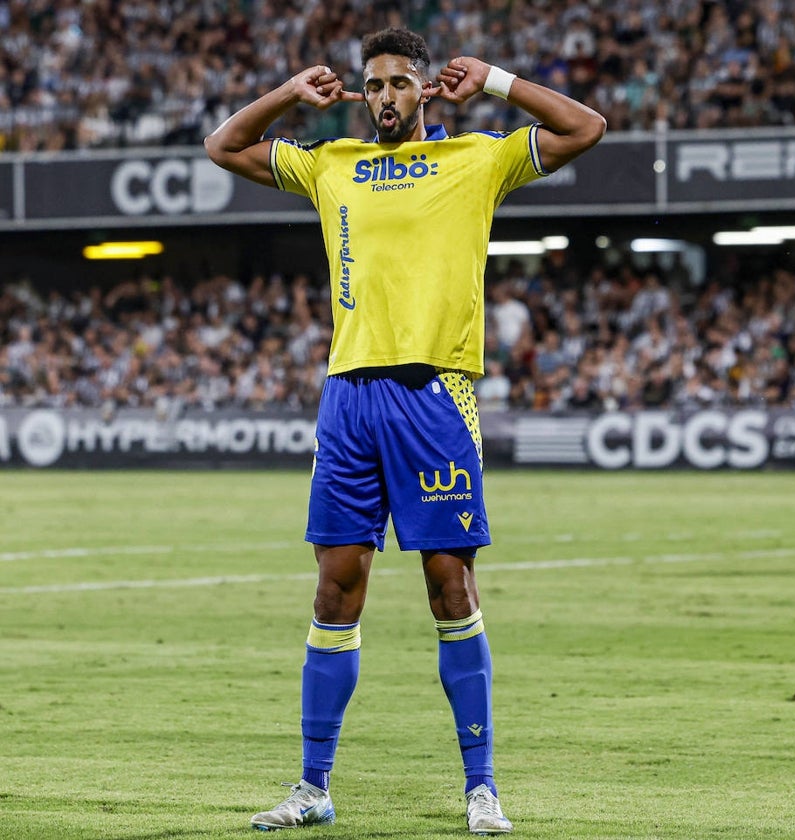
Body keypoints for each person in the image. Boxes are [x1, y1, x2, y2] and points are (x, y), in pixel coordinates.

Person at [204, 27, 605, 834]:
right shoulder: (330, 165)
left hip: (435, 396)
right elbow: (224, 146)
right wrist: (290, 94)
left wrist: (495, 79)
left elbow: (584, 128)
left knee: (448, 586)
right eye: (373, 83)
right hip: (349, 397)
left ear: (426, 88)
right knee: (336, 586)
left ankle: (481, 788)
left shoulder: (477, 159)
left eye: (399, 82)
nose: (385, 95)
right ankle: (313, 788)